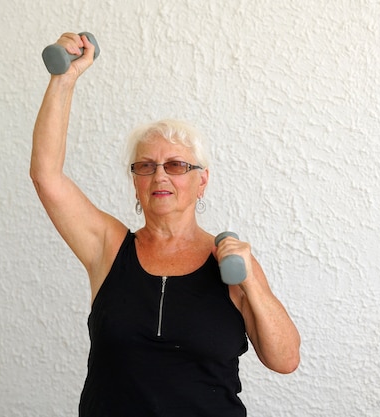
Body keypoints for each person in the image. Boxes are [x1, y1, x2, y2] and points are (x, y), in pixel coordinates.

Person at [31, 32, 300, 417]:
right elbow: (46, 176)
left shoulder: (230, 264)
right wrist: (64, 79)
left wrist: (252, 283)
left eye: (176, 165)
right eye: (146, 166)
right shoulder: (108, 248)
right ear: (136, 181)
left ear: (201, 180)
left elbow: (285, 360)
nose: (160, 177)